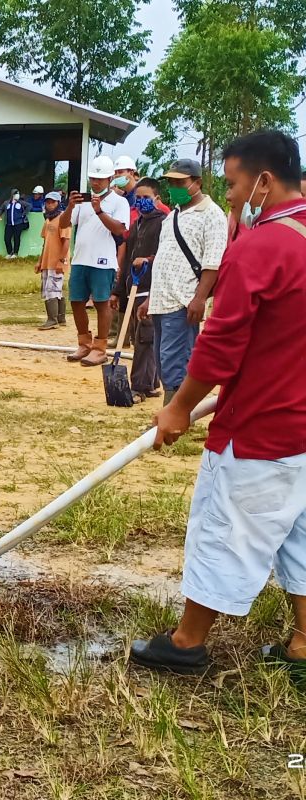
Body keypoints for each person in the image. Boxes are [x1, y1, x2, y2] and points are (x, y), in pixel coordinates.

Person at [130, 129, 306, 678]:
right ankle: (303, 643)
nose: (229, 195)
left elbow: (222, 341)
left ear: (263, 181)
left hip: (261, 426)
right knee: (300, 533)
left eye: (231, 183)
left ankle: (186, 643)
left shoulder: (262, 247)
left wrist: (179, 406)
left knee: (223, 527)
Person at [139, 158, 228, 404]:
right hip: (161, 299)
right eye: (170, 183)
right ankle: (175, 409)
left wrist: (199, 299)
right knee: (161, 356)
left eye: (180, 182)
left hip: (183, 300)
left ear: (196, 183)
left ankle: (175, 412)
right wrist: (150, 299)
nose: (174, 187)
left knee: (174, 358)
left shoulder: (211, 215)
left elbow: (212, 262)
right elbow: (164, 260)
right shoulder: (173, 215)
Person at [59, 156, 130, 367]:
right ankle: (84, 342)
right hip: (81, 258)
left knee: (102, 303)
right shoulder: (83, 201)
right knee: (77, 301)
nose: (95, 183)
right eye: (92, 178)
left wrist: (99, 210)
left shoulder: (119, 202)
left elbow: (120, 229)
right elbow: (64, 223)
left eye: (100, 179)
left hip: (103, 261)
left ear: (110, 179)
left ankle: (100, 348)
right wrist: (70, 207)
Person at [112, 177, 165, 401]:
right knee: (140, 338)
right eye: (139, 198)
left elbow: (165, 256)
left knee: (145, 338)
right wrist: (117, 291)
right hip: (132, 287)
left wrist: (148, 260)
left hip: (150, 289)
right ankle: (152, 383)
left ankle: (140, 387)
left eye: (146, 198)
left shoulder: (164, 223)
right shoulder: (137, 225)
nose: (142, 202)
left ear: (157, 199)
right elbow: (126, 261)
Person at [35, 191, 69, 330]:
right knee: (53, 289)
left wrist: (61, 261)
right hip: (47, 261)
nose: (49, 205)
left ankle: (52, 319)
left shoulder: (63, 219)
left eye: (52, 202)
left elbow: (66, 242)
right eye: (47, 202)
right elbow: (45, 243)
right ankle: (60, 317)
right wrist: (39, 261)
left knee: (52, 289)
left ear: (58, 203)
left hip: (57, 261)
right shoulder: (48, 220)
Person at [0, 188, 28, 259]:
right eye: (16, 194)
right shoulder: (6, 203)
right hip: (9, 224)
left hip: (18, 224)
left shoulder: (21, 202)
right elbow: (1, 209)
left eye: (18, 193)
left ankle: (15, 253)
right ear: (12, 195)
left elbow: (29, 206)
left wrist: (23, 214)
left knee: (16, 238)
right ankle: (9, 252)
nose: (17, 195)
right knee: (7, 238)